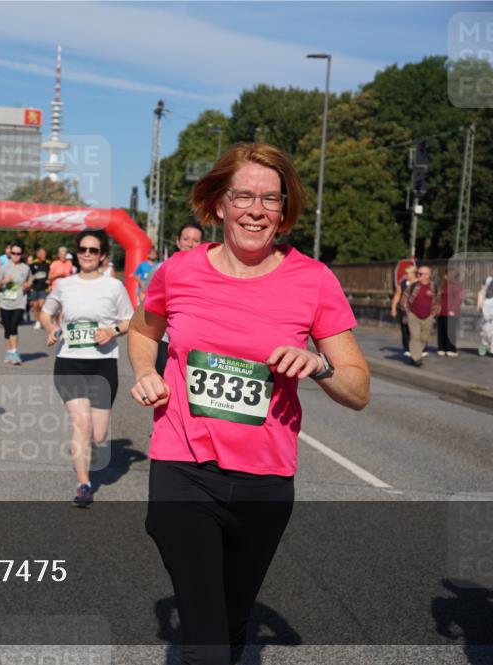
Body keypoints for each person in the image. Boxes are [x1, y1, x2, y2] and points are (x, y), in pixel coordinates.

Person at [128, 143, 370, 665]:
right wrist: (146, 371)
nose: (256, 210)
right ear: (219, 204)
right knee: (208, 645)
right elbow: (142, 330)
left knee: (233, 626)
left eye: (270, 200)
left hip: (264, 480)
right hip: (183, 469)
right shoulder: (179, 271)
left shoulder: (313, 281)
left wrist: (321, 366)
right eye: (243, 197)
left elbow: (358, 389)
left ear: (284, 211)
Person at [39, 230, 133, 506]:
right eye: (83, 249)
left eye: (93, 250)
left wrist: (112, 330)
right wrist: (52, 328)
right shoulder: (64, 285)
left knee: (99, 433)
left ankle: (83, 448)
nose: (88, 254)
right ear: (76, 252)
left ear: (103, 255)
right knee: (81, 422)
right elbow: (45, 312)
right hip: (69, 361)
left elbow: (130, 320)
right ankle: (84, 484)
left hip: (103, 364)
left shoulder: (113, 287)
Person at [155, 222, 206, 375]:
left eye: (196, 241)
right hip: (167, 341)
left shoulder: (209, 273)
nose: (190, 244)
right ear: (177, 242)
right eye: (186, 239)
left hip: (199, 345)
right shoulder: (162, 270)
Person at [0, 241, 32, 364]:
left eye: (18, 253)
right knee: (7, 328)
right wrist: (2, 282)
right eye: (13, 253)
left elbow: (29, 282)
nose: (16, 255)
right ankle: (9, 352)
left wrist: (28, 286)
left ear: (21, 254)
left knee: (13, 326)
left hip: (19, 302)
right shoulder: (3, 268)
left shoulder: (26, 268)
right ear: (9, 253)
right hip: (5, 302)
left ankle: (14, 352)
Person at [405, 265, 439, 367]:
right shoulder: (412, 286)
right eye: (417, 273)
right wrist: (407, 313)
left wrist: (433, 314)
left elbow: (438, 301)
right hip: (413, 315)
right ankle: (417, 358)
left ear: (427, 275)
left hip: (428, 316)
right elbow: (404, 300)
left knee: (423, 338)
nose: (417, 275)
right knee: (415, 337)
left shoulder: (434, 287)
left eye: (419, 274)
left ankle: (414, 355)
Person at [390, 264, 417, 358]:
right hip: (404, 310)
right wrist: (393, 308)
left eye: (408, 273)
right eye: (405, 273)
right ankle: (407, 348)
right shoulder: (402, 283)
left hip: (415, 311)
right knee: (405, 329)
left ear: (414, 273)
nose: (406, 275)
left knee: (415, 330)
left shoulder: (418, 283)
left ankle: (417, 348)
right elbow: (397, 295)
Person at [436, 267, 462, 357]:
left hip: (450, 312)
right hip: (441, 311)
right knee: (441, 330)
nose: (445, 276)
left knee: (450, 331)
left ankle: (451, 348)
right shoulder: (443, 285)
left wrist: (453, 310)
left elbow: (458, 299)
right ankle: (442, 348)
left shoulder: (456, 286)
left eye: (447, 274)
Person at [28, 246, 50, 329]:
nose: (44, 255)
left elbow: (50, 274)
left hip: (44, 288)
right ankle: (38, 320)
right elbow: (29, 276)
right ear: (38, 255)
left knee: (42, 305)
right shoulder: (33, 264)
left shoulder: (48, 264)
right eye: (42, 254)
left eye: (45, 254)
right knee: (35, 306)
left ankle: (41, 321)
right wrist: (33, 277)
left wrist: (49, 280)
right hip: (34, 288)